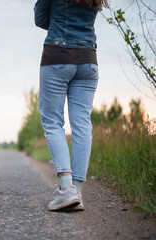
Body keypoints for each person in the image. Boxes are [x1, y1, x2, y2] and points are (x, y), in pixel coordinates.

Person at [34, 0, 109, 211]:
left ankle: (66, 189)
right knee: (82, 124)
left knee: (52, 122)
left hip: (57, 55)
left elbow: (40, 19)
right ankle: (77, 192)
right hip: (88, 59)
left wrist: (58, 23)